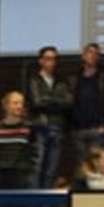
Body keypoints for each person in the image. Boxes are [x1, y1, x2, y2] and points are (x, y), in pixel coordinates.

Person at [25, 46, 73, 189]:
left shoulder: (62, 81)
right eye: (48, 59)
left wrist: (50, 101)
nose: (51, 62)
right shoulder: (34, 80)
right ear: (41, 61)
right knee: (37, 168)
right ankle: (33, 206)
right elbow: (36, 102)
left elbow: (69, 102)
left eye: (54, 59)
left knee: (51, 170)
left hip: (57, 126)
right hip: (40, 125)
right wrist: (57, 102)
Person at [68, 41, 104, 164]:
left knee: (97, 164)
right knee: (82, 166)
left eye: (96, 54)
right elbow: (69, 102)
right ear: (83, 55)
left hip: (98, 129)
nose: (93, 56)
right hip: (78, 129)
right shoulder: (74, 77)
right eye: (90, 52)